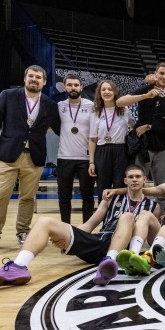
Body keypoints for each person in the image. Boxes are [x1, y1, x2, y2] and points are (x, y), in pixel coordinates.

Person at [0, 165, 154, 287]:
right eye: (131, 177)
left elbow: (151, 237)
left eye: (138, 177)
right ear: (125, 180)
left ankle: (109, 262)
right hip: (97, 242)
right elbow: (89, 225)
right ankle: (18, 267)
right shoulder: (111, 198)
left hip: (120, 250)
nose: (134, 180)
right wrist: (67, 239)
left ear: (145, 180)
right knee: (44, 221)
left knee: (127, 216)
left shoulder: (152, 206)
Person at [0, 64, 60, 252]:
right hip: (7, 156)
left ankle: (23, 232)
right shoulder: (8, 95)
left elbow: (60, 129)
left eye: (38, 77)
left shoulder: (50, 104)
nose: (34, 80)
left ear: (44, 82)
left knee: (28, 198)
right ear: (25, 79)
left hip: (34, 157)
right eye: (31, 76)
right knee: (0, 195)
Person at [121, 62, 165, 202]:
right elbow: (121, 102)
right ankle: (135, 212)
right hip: (144, 145)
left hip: (163, 146)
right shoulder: (146, 89)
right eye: (161, 73)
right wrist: (145, 95)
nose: (164, 77)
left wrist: (149, 126)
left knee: (163, 187)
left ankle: (162, 215)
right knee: (136, 184)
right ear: (155, 74)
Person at [56, 73, 96, 224]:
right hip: (64, 157)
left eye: (76, 85)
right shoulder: (59, 106)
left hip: (86, 158)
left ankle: (87, 229)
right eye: (69, 85)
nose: (73, 88)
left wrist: (92, 160)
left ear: (81, 87)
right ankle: (65, 229)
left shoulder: (91, 106)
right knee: (64, 196)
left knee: (88, 196)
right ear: (65, 87)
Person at [89, 79, 131, 199]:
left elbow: (134, 125)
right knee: (103, 186)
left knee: (120, 185)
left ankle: (119, 210)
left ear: (115, 92)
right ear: (99, 93)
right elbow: (92, 140)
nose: (107, 92)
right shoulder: (96, 112)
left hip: (121, 150)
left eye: (110, 89)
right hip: (102, 151)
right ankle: (103, 211)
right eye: (103, 89)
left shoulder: (124, 110)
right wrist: (91, 162)